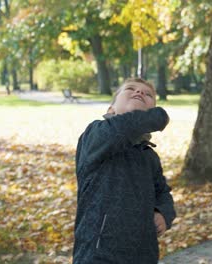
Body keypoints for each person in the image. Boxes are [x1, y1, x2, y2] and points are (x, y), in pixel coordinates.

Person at [73, 78, 176, 263]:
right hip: (98, 253)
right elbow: (124, 127)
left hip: (143, 254)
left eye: (148, 94)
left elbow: (163, 193)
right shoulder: (96, 134)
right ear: (111, 109)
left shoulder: (149, 155)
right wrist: (157, 116)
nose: (139, 93)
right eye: (130, 89)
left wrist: (163, 213)